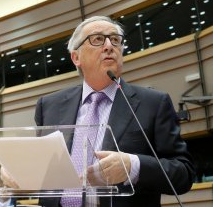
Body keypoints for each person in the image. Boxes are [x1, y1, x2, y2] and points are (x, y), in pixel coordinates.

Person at [34, 16, 195, 207]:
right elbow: (45, 169)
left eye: (115, 40)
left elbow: (183, 173)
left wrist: (133, 166)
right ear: (76, 57)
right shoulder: (49, 105)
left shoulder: (153, 103)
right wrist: (20, 173)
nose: (109, 46)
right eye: (97, 39)